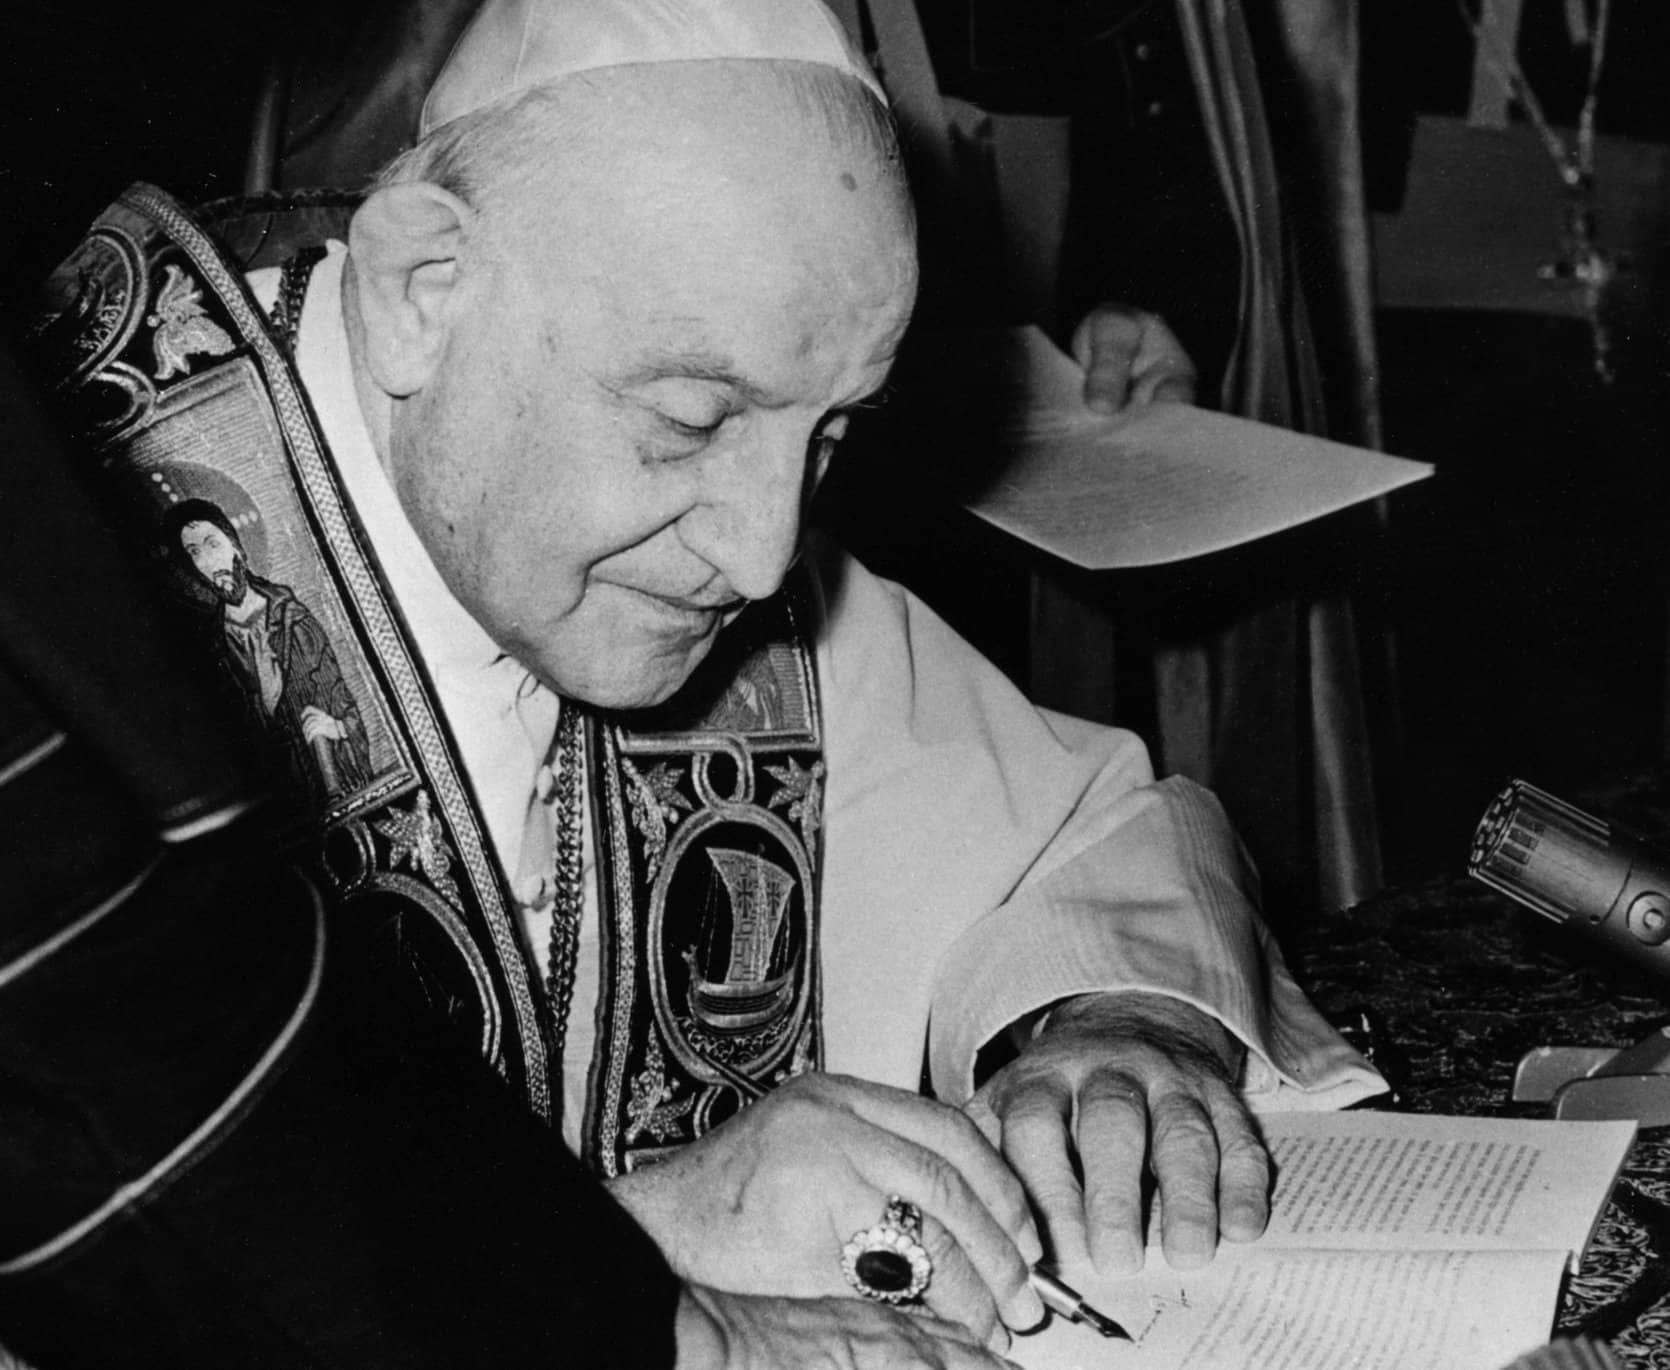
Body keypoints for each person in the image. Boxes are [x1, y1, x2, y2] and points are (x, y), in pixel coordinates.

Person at [22, 1, 1383, 1364]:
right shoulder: (69, 602)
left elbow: (1075, 830)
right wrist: (629, 1259)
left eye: (832, 433)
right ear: (419, 292)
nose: (764, 549)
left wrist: (1108, 1021)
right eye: (691, 417)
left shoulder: (689, 523)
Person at [161, 496, 372, 801]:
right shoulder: (215, 647)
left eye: (213, 544)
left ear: (235, 546)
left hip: (340, 786)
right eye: (194, 552)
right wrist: (267, 702)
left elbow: (343, 702)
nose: (209, 561)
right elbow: (233, 748)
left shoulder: (293, 618)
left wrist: (337, 727)